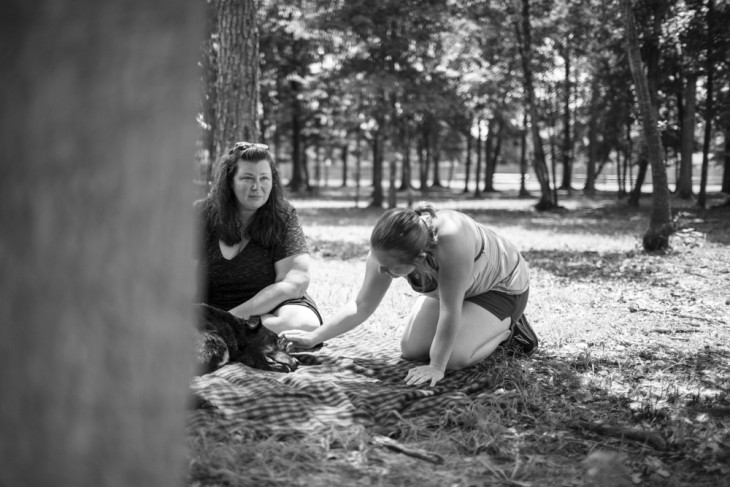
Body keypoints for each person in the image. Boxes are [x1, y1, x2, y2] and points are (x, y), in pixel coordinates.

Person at [280, 202, 537, 387]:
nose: (381, 269)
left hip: (501, 289)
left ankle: (510, 330)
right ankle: (477, 328)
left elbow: (450, 311)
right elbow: (361, 305)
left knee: (454, 358)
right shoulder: (387, 249)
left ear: (420, 259)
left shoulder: (452, 242)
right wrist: (315, 336)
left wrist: (436, 367)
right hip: (457, 290)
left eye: (390, 267)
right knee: (413, 350)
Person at [195, 141, 322, 334]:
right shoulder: (202, 213)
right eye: (247, 178)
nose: (257, 187)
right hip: (212, 309)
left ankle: (227, 334)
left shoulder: (283, 215)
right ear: (230, 181)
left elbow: (296, 282)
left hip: (268, 308)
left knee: (304, 323)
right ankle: (243, 337)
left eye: (264, 178)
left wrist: (229, 321)